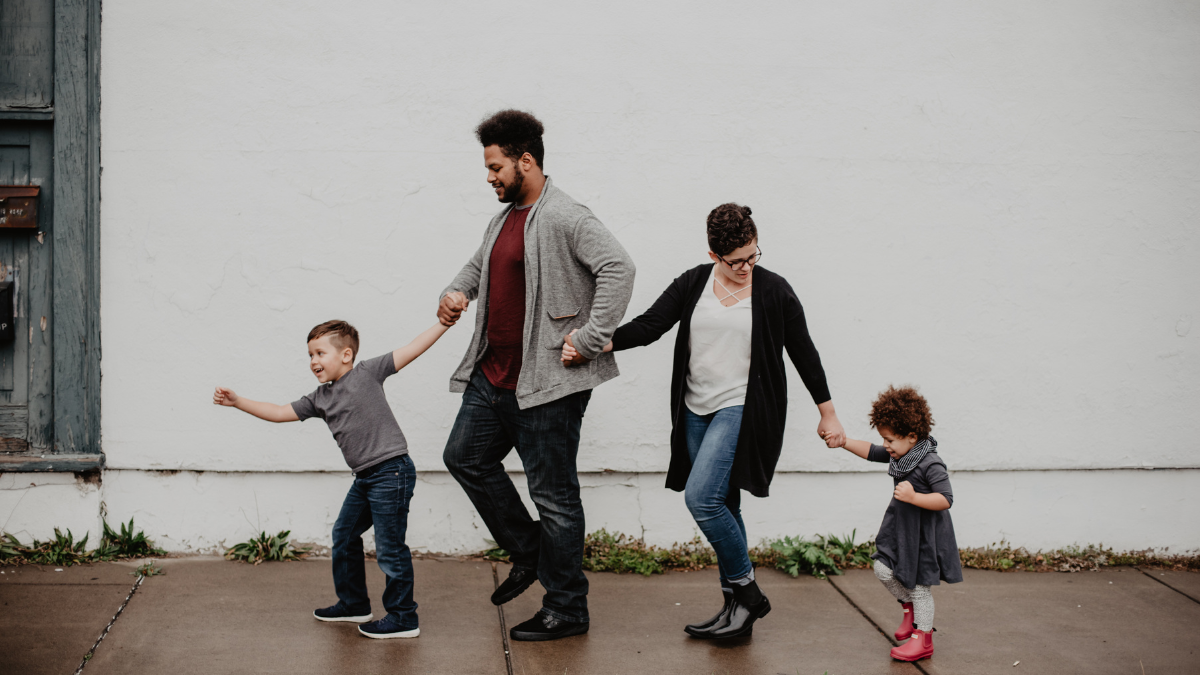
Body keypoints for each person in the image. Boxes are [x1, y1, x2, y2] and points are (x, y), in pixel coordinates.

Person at [562, 203, 846, 639]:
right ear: (715, 255)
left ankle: (749, 594)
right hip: (695, 409)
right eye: (736, 261)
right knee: (725, 504)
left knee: (702, 500)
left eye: (753, 256)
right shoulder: (695, 282)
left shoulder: (774, 291)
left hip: (742, 408)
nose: (747, 267)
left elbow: (804, 351)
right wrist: (595, 344)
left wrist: (827, 412)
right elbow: (651, 325)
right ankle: (736, 612)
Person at [438, 109, 635, 641]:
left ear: (526, 161)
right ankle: (530, 554)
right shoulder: (503, 218)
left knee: (554, 497)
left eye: (495, 166)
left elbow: (620, 267)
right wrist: (455, 292)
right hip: (493, 377)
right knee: (464, 458)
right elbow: (479, 266)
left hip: (546, 384)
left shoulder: (566, 216)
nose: (489, 176)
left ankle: (567, 607)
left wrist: (590, 338)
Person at [212, 319, 451, 639]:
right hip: (365, 478)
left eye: (320, 353)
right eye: (309, 355)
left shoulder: (368, 372)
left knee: (390, 548)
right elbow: (280, 411)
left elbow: (413, 348)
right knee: (344, 533)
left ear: (346, 355)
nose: (313, 361)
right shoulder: (320, 398)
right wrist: (237, 402)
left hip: (391, 472)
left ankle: (403, 616)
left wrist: (444, 324)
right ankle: (354, 603)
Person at [829, 385, 962, 662]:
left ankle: (923, 638)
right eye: (884, 439)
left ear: (912, 437)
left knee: (918, 586)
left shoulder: (930, 463)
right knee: (882, 568)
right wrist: (843, 441)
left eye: (890, 440)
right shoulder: (900, 455)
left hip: (923, 534)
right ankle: (909, 609)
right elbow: (871, 451)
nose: (886, 445)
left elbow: (946, 499)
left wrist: (914, 497)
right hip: (901, 528)